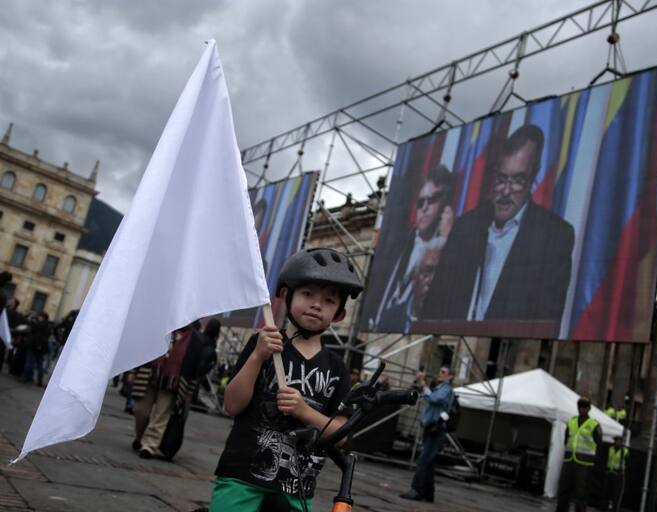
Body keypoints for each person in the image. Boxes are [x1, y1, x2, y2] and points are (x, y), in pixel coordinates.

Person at [209, 247, 363, 512]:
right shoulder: (263, 344)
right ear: (285, 295)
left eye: (328, 300)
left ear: (339, 314)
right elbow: (232, 405)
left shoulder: (337, 368)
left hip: (297, 489)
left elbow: (340, 435)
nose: (316, 305)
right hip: (241, 477)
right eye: (307, 294)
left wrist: (305, 411)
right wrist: (257, 356)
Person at [422, 125, 574, 335]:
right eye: (501, 179)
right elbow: (433, 306)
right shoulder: (465, 226)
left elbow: (545, 324)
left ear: (534, 175)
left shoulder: (555, 236)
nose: (506, 191)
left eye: (518, 181)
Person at [369, 164, 454, 332]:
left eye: (432, 200)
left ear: (445, 205)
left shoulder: (449, 248)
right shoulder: (397, 243)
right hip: (376, 327)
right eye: (421, 202)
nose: (424, 208)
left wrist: (446, 240)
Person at [130, 322, 208, 459]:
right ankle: (140, 437)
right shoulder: (160, 327)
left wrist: (189, 391)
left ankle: (149, 445)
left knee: (161, 415)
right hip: (150, 375)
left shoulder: (195, 340)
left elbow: (194, 370)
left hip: (173, 383)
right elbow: (141, 349)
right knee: (140, 411)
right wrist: (132, 370)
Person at [400, 365, 455, 503]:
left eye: (443, 372)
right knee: (428, 462)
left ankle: (416, 490)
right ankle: (429, 493)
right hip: (430, 428)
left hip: (436, 429)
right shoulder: (439, 387)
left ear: (450, 377)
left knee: (423, 460)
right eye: (440, 371)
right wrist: (421, 384)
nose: (440, 373)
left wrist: (423, 384)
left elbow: (434, 399)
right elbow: (429, 397)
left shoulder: (446, 389)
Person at [556, 397, 603, 512]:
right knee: (563, 489)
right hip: (569, 460)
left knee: (581, 492)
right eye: (580, 407)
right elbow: (566, 439)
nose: (582, 409)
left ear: (589, 409)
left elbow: (599, 444)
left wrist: (593, 460)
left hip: (584, 463)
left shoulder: (594, 424)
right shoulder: (571, 421)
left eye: (584, 407)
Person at [604, 435, 629, 511]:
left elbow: (628, 463)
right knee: (606, 493)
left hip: (618, 475)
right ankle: (604, 508)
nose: (616, 442)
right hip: (609, 473)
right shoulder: (610, 449)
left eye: (618, 441)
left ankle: (615, 509)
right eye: (615, 440)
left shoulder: (625, 451)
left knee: (616, 495)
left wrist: (622, 471)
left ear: (621, 442)